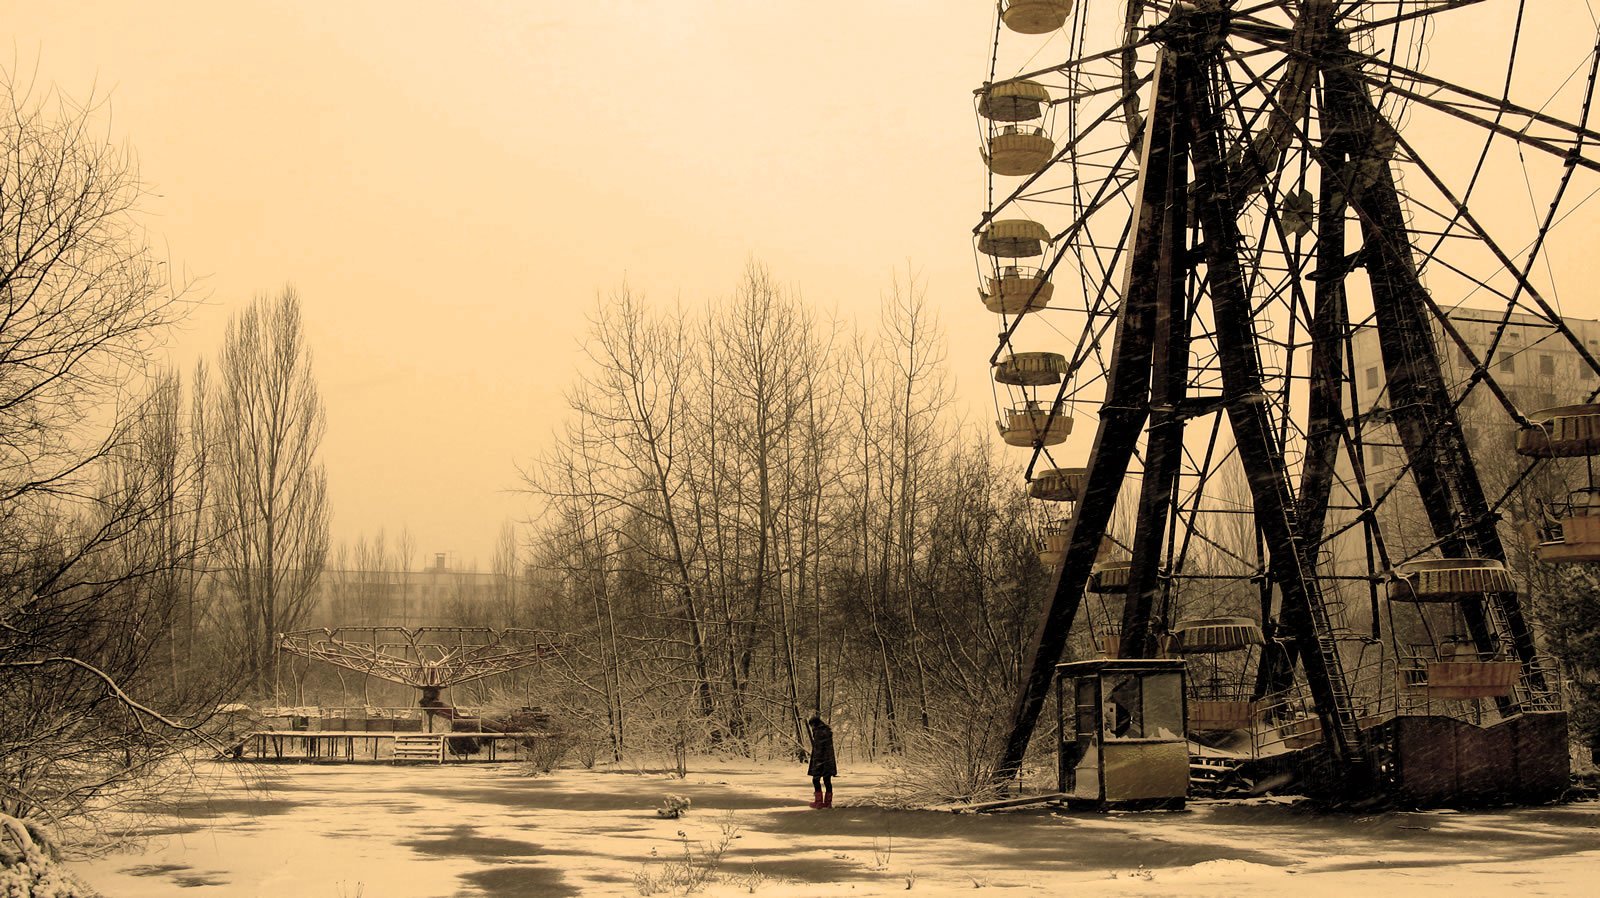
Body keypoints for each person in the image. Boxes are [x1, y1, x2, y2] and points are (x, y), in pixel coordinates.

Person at [806, 715, 836, 809]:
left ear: (814, 724)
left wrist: (817, 762)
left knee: (816, 780)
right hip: (829, 761)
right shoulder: (827, 731)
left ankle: (818, 802)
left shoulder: (819, 733)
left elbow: (819, 749)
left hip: (820, 761)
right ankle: (828, 802)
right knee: (827, 781)